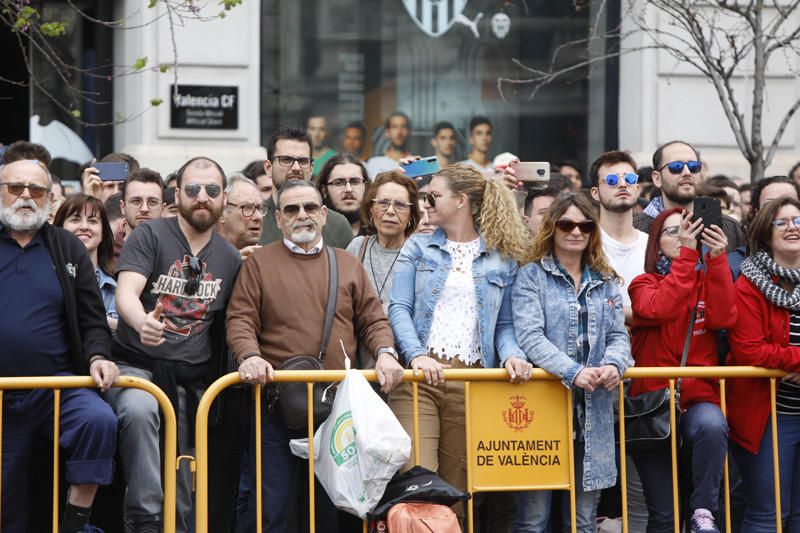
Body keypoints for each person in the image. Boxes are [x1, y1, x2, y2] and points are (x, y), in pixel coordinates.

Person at [226, 178, 404, 532]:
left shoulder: (348, 264)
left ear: (324, 214)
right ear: (279, 218)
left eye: (310, 208)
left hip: (337, 409)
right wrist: (249, 356)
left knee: (333, 512)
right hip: (276, 406)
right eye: (291, 209)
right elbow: (240, 318)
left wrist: (385, 352)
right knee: (272, 509)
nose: (302, 215)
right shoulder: (259, 264)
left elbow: (373, 319)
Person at [388, 163, 533, 523]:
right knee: (418, 487)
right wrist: (417, 355)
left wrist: (513, 354)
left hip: (475, 384)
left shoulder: (502, 255)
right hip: (419, 381)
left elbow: (506, 324)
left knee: (457, 496)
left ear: (461, 200)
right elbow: (399, 308)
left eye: (433, 196)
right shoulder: (418, 247)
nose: (425, 204)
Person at [109, 156, 241, 532]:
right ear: (177, 194)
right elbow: (127, 293)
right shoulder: (150, 235)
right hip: (138, 366)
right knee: (139, 409)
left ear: (223, 198)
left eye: (212, 190)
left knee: (184, 487)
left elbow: (240, 320)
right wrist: (140, 322)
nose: (202, 197)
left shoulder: (230, 258)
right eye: (193, 189)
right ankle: (145, 520)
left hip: (191, 382)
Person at [0, 159, 119, 533]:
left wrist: (100, 356)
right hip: (2, 393)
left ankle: (74, 524)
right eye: (15, 187)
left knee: (99, 421)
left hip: (58, 386)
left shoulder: (66, 247)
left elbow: (92, 321)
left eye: (36, 190)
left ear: (50, 198)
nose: (25, 196)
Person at [511, 193, 631, 533]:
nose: (575, 231)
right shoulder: (532, 275)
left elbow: (619, 335)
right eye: (566, 224)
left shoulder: (605, 277)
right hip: (543, 409)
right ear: (552, 228)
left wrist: (613, 364)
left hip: (593, 411)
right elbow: (530, 337)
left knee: (582, 522)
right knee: (533, 519)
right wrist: (574, 371)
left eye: (584, 225)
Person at [628, 207, 734, 533]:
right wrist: (688, 258)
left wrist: (716, 259)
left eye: (688, 229)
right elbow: (658, 307)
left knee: (713, 425)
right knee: (665, 516)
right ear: (656, 244)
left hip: (697, 402)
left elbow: (724, 319)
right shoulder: (643, 282)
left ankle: (704, 510)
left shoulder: (707, 278)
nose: (682, 236)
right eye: (672, 231)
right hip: (653, 408)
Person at [728, 196, 800, 531]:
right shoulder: (750, 281)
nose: (792, 228)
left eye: (798, 221)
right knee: (768, 514)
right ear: (765, 232)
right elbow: (749, 351)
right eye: (782, 222)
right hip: (771, 415)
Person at [634, 140, 744, 251]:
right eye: (676, 166)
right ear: (657, 178)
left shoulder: (732, 230)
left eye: (693, 166)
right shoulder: (635, 229)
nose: (687, 172)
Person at [259, 125, 354, 248]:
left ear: (311, 168)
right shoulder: (255, 221)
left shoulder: (337, 225)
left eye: (303, 161)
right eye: (286, 160)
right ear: (268, 167)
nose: (296, 168)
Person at [347, 170, 421, 313]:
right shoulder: (357, 247)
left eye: (400, 205)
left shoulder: (418, 255)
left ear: (411, 215)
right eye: (383, 203)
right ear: (370, 210)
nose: (390, 211)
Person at [589, 150, 648, 323]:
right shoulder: (584, 242)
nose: (622, 184)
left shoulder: (653, 245)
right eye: (612, 180)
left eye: (629, 179)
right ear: (595, 192)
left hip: (644, 346)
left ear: (637, 189)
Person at [54, 194, 119, 332]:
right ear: (59, 228)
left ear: (103, 233)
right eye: (75, 219)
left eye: (92, 221)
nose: (84, 226)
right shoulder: (46, 276)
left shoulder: (118, 286)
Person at [114, 168, 164, 262]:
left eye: (153, 202)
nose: (144, 209)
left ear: (163, 208)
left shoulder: (175, 256)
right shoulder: (105, 257)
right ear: (123, 206)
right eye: (136, 201)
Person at [317, 152, 369, 235]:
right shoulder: (315, 235)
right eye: (338, 183)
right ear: (324, 190)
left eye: (355, 182)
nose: (348, 189)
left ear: (365, 187)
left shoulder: (379, 234)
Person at [217, 175, 264, 260]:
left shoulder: (271, 258)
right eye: (247, 208)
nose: (258, 217)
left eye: (259, 208)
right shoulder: (200, 259)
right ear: (221, 213)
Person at [366, 111, 412, 178]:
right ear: (387, 132)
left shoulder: (415, 162)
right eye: (394, 126)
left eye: (403, 126)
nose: (399, 132)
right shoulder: (373, 163)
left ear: (409, 132)